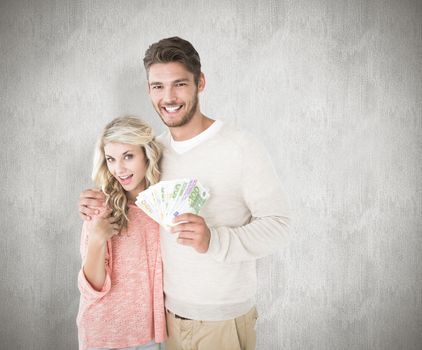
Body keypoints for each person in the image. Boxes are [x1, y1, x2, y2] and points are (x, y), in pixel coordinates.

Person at [79, 37, 290, 350]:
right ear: (149, 89)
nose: (169, 97)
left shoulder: (241, 147)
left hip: (221, 319)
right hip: (166, 321)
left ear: (200, 83)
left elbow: (279, 226)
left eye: (179, 84)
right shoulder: (154, 153)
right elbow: (128, 198)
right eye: (158, 86)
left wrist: (214, 239)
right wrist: (95, 200)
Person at [76, 116, 166, 350]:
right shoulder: (100, 208)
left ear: (147, 154)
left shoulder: (164, 206)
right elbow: (93, 287)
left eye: (128, 156)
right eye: (111, 159)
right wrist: (97, 238)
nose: (119, 169)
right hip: (104, 334)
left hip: (150, 336)